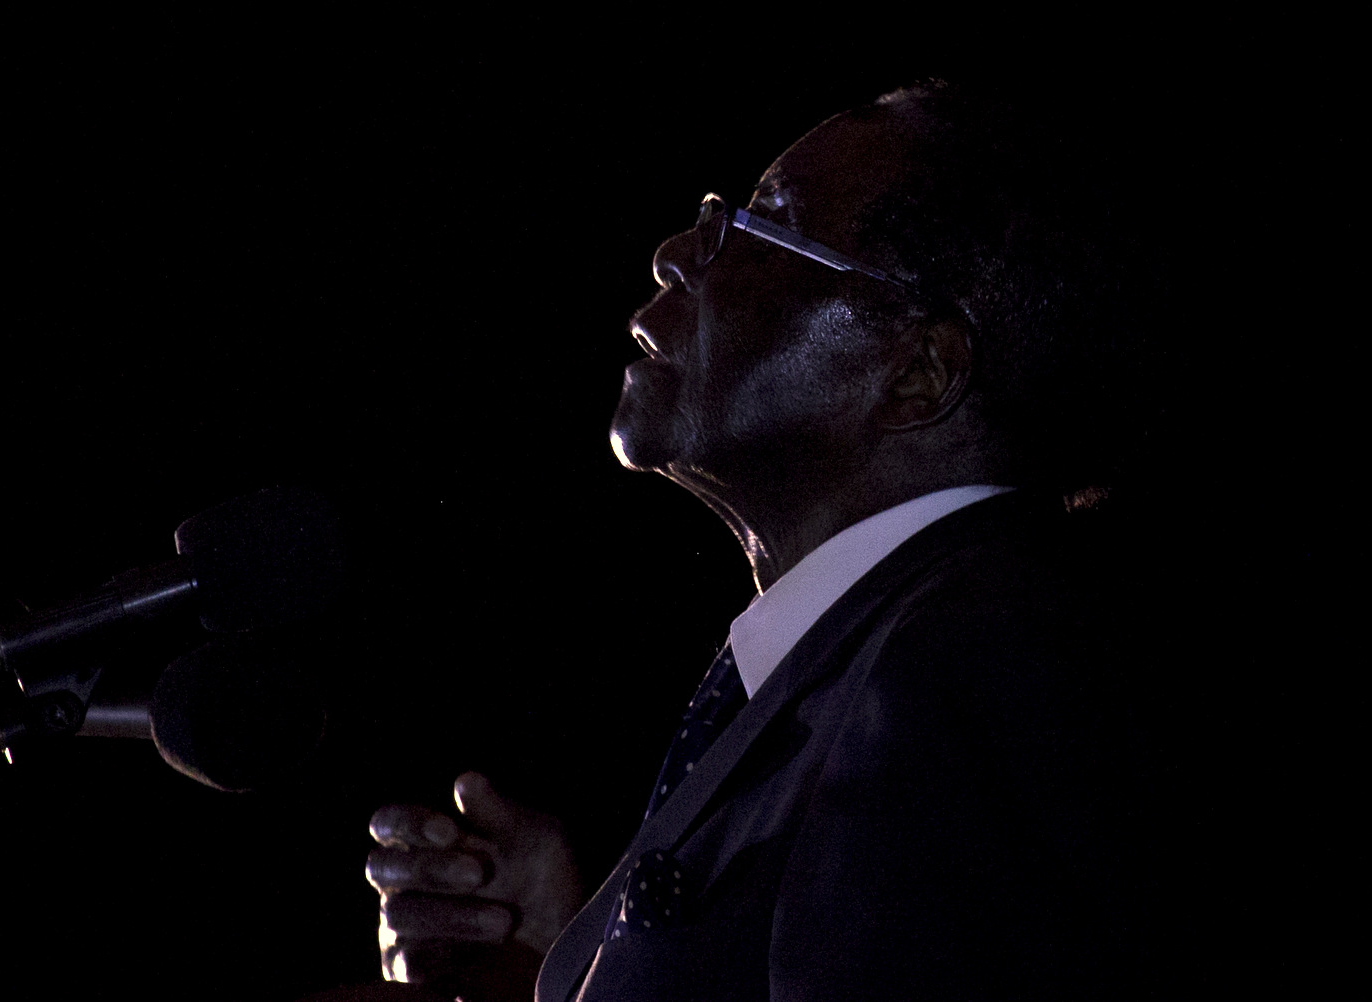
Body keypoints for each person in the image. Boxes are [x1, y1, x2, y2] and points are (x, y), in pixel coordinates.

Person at [365, 81, 1162, 1000]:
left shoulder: (965, 667)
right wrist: (570, 960)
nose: (674, 257)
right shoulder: (891, 655)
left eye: (762, 226)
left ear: (918, 371)